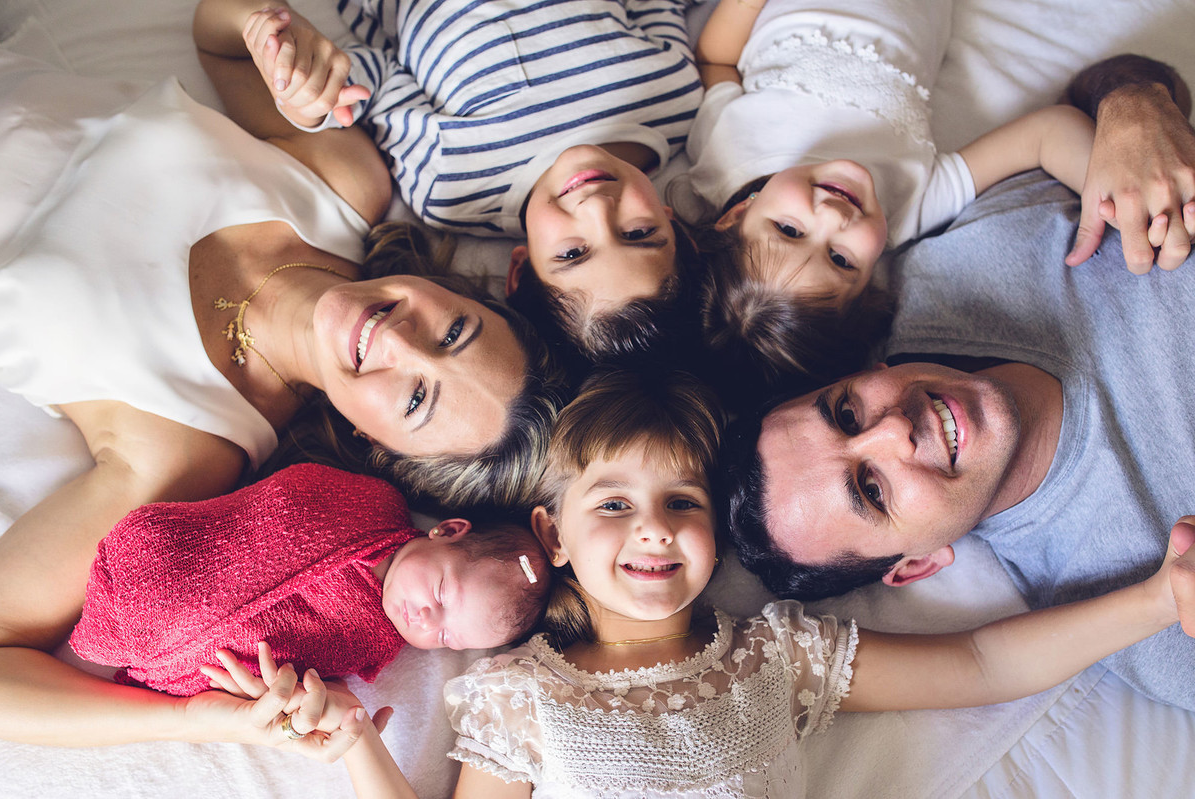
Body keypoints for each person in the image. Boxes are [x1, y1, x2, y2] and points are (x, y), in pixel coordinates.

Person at [225, 368, 1195, 797]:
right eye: (613, 506)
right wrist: (356, 742)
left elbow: (981, 660)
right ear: (551, 531)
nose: (652, 526)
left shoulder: (778, 656)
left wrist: (1156, 598)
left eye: (679, 501)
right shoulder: (522, 697)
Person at [0, 35, 559, 747]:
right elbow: (214, 34)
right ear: (453, 292)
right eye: (454, 333)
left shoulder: (179, 449)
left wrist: (189, 719)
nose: (399, 342)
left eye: (417, 399)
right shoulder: (346, 183)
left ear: (373, 444)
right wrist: (273, 36)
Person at [721, 58, 1195, 711]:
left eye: (848, 413)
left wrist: (1135, 102)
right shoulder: (1145, 600)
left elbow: (1095, 100)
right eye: (872, 487)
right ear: (917, 563)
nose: (894, 430)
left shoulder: (943, 268)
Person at [686, 0, 1195, 399]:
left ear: (737, 214)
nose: (833, 218)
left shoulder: (728, 157)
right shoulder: (909, 207)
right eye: (841, 260)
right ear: (870, 284)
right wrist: (1111, 191)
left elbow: (715, 59)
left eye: (789, 230)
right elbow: (1044, 135)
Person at [213, 0, 705, 363]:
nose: (598, 209)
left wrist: (311, 91)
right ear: (672, 218)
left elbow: (373, 81)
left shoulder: (453, 184)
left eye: (572, 254)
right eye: (639, 234)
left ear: (520, 269)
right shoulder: (676, 97)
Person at [70, 463, 553, 696]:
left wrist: (280, 690)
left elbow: (307, 676)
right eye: (443, 592)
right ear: (447, 531)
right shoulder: (370, 502)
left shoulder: (375, 644)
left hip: (193, 665)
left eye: (446, 637)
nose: (427, 620)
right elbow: (283, 499)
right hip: (165, 556)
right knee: (153, 549)